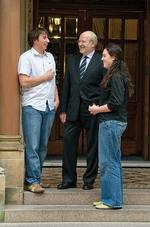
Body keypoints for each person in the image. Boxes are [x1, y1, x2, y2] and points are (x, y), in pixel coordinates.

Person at [89, 43, 134, 208]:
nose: (102, 58)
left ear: (113, 58)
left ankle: (112, 201)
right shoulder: (116, 74)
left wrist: (96, 109)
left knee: (109, 162)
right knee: (110, 161)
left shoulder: (116, 77)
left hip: (111, 123)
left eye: (104, 55)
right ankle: (109, 198)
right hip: (112, 123)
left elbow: (115, 103)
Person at [57, 31, 104, 190]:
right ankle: (68, 180)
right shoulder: (72, 60)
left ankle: (88, 181)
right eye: (79, 41)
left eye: (84, 41)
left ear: (93, 44)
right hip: (73, 109)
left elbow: (105, 87)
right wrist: (63, 110)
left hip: (93, 110)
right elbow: (67, 86)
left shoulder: (101, 61)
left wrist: (101, 108)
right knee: (69, 145)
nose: (80, 44)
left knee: (92, 146)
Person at [18, 27, 59, 193]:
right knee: (33, 145)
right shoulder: (26, 57)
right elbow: (24, 82)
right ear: (35, 39)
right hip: (32, 106)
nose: (48, 40)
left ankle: (36, 179)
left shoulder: (50, 57)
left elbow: (53, 80)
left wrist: (57, 98)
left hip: (49, 106)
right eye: (45, 37)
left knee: (42, 146)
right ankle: (32, 181)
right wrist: (44, 77)